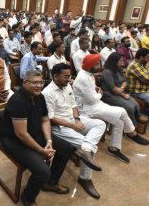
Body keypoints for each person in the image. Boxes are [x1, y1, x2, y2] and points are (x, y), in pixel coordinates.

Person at [1, 70, 73, 206]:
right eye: (35, 83)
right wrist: (42, 151)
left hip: (34, 133)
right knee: (43, 171)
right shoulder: (18, 100)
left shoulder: (39, 96)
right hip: (14, 141)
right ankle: (27, 198)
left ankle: (50, 183)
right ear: (25, 83)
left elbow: (45, 120)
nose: (39, 86)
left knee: (67, 149)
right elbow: (21, 134)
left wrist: (49, 141)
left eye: (41, 82)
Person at [42, 63, 106, 199]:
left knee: (100, 124)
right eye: (65, 77)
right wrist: (72, 126)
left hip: (73, 119)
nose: (69, 79)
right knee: (90, 147)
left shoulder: (67, 86)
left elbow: (73, 105)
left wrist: (77, 120)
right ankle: (85, 178)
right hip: (61, 127)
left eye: (69, 76)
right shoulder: (47, 93)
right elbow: (51, 118)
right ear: (55, 76)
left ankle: (86, 149)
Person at [74, 54, 149, 163]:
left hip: (95, 104)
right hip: (87, 109)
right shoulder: (83, 77)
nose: (99, 66)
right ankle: (132, 133)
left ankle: (114, 148)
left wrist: (96, 90)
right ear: (90, 65)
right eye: (96, 64)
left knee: (119, 122)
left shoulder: (88, 73)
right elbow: (92, 99)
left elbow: (91, 92)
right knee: (123, 111)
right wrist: (100, 93)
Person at [100, 52, 148, 128]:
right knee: (129, 107)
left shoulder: (118, 69)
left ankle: (135, 120)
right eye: (120, 61)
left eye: (122, 61)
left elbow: (125, 82)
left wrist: (122, 89)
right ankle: (131, 126)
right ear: (114, 62)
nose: (122, 63)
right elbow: (114, 90)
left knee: (136, 104)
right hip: (109, 95)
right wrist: (123, 94)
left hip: (120, 92)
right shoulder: (107, 72)